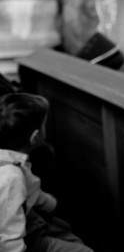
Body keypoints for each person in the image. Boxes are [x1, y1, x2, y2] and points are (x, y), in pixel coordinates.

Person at [0, 92, 93, 252]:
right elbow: (10, 242)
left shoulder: (13, 160)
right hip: (21, 235)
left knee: (67, 231)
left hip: (28, 217)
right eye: (44, 124)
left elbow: (31, 187)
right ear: (35, 137)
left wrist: (51, 205)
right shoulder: (11, 176)